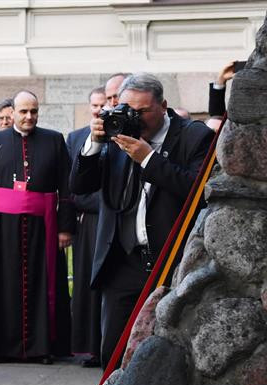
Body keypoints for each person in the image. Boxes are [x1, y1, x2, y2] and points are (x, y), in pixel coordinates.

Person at [69, 73, 214, 369]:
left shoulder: (194, 136)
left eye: (143, 111)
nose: (134, 118)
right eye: (127, 109)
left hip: (172, 261)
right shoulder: (117, 134)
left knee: (170, 352)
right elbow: (80, 186)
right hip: (123, 260)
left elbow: (198, 192)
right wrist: (95, 144)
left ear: (163, 105)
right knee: (113, 351)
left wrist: (148, 159)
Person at [0, 90, 74, 364]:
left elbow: (65, 188)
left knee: (43, 283)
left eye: (34, 112)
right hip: (1, 227)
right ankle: (1, 347)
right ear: (13, 112)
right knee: (2, 284)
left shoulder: (54, 140)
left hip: (44, 227)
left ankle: (42, 347)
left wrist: (65, 227)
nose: (29, 117)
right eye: (24, 111)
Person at [67, 87, 106, 367]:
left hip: (112, 218)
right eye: (94, 105)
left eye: (103, 104)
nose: (98, 110)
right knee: (86, 284)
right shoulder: (75, 138)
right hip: (88, 222)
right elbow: (73, 187)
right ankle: (89, 348)